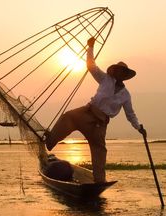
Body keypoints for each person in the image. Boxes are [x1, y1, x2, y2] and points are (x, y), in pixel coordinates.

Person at [44, 37, 146, 183]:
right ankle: (50, 141)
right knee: (67, 117)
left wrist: (139, 127)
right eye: (118, 71)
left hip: (100, 124)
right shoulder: (105, 79)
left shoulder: (125, 95)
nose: (119, 74)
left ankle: (99, 182)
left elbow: (130, 115)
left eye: (122, 72)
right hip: (87, 113)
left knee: (99, 152)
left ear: (125, 76)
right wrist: (90, 47)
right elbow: (91, 66)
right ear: (114, 72)